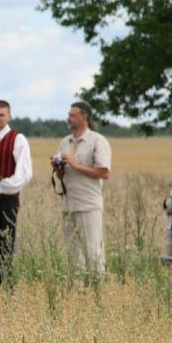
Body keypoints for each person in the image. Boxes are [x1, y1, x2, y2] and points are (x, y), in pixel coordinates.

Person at [53, 101, 112, 277]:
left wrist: (74, 164)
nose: (68, 118)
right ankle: (78, 295)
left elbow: (104, 172)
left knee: (93, 252)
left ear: (84, 116)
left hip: (88, 205)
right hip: (68, 204)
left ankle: (98, 291)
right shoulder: (65, 142)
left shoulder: (97, 140)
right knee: (73, 255)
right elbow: (61, 177)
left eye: (72, 115)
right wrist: (58, 168)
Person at [0, 100, 33, 284]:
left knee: (5, 245)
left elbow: (24, 174)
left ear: (9, 116)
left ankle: (5, 286)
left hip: (6, 201)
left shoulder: (17, 139)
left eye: (1, 115)